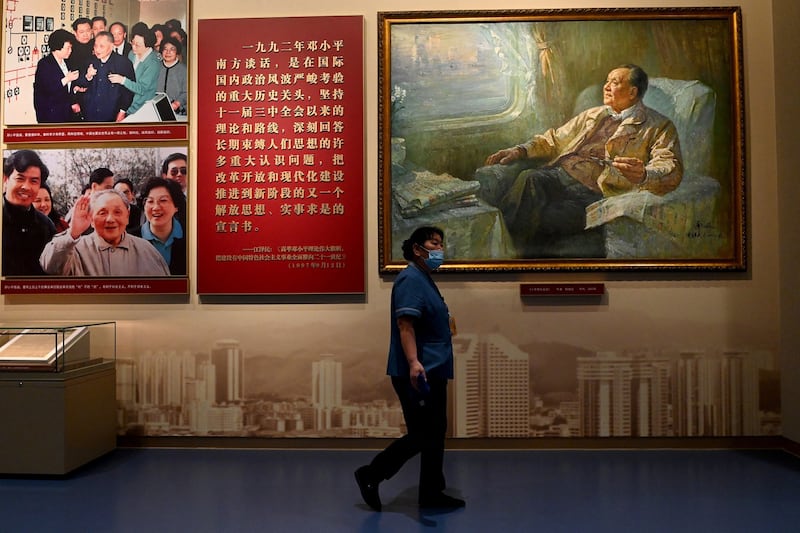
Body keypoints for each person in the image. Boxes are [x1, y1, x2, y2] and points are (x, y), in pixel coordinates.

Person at [481, 64, 683, 256]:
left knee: (545, 215)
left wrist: (645, 175)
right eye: (607, 80)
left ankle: (506, 256)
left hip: (595, 190)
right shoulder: (593, 114)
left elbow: (669, 165)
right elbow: (555, 139)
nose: (606, 86)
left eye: (614, 82)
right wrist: (520, 151)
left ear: (632, 92)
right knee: (529, 177)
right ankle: (504, 253)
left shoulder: (658, 126)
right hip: (559, 175)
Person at [354, 226, 465, 511]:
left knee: (435, 431)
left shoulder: (424, 278)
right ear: (417, 249)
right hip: (417, 373)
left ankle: (431, 493)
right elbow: (405, 325)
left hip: (434, 370)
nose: (439, 250)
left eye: (442, 244)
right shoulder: (411, 279)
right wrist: (415, 362)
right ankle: (371, 474)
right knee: (423, 434)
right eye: (433, 243)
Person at [40, 189, 170, 276]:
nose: (110, 219)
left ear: (127, 216)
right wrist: (73, 232)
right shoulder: (74, 250)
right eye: (102, 213)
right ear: (91, 218)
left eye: (117, 212)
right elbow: (50, 266)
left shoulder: (146, 251)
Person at [2, 150, 56, 276]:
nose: (26, 187)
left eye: (33, 181)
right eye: (20, 179)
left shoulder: (46, 225)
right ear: (6, 179)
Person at [75, 31, 135, 122]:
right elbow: (79, 83)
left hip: (111, 114)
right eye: (95, 46)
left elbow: (129, 91)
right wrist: (88, 76)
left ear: (111, 46)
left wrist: (122, 111)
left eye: (101, 46)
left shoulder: (124, 63)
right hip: (90, 113)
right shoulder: (90, 61)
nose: (97, 50)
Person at [131, 177, 186, 275]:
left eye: (163, 200)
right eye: (150, 201)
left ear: (176, 206)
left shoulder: (191, 238)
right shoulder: (130, 239)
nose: (156, 207)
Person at [108, 26, 160, 117]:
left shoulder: (153, 63)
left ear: (148, 45)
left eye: (138, 45)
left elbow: (142, 89)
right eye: (133, 43)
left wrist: (122, 80)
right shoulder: (132, 54)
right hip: (126, 103)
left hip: (141, 107)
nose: (133, 47)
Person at [33, 29, 79, 123]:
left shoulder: (66, 62)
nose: (70, 51)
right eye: (68, 48)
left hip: (65, 111)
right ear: (57, 47)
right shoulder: (45, 64)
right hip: (50, 113)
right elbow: (48, 89)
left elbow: (66, 89)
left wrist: (74, 89)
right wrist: (66, 79)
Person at [156, 37, 187, 114]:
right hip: (156, 109)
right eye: (165, 49)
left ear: (177, 52)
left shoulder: (184, 70)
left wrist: (177, 103)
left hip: (178, 110)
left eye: (172, 49)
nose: (168, 52)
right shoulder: (156, 67)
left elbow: (187, 92)